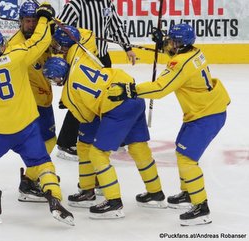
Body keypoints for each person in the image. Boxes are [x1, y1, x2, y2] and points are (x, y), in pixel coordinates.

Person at [0, 3, 74, 226]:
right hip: (26, 127)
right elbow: (39, 42)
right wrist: (44, 19)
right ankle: (55, 198)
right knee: (42, 162)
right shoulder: (16, 56)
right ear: (3, 46)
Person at [107, 23, 230, 226]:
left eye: (172, 40)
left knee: (186, 158)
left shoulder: (180, 62)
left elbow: (160, 88)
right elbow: (178, 60)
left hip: (206, 115)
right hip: (206, 109)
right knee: (182, 151)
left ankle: (201, 207)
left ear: (180, 44)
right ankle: (189, 193)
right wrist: (162, 43)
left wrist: (129, 90)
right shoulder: (194, 52)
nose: (169, 43)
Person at [43, 26, 166, 219]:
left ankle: (113, 202)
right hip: (130, 92)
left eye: (60, 46)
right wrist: (65, 28)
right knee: (136, 147)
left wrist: (73, 99)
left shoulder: (68, 94)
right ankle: (155, 192)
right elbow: (89, 34)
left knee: (97, 153)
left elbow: (86, 117)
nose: (58, 49)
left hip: (116, 107)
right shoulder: (81, 51)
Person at [56, 0, 137, 161]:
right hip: (84, 59)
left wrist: (127, 47)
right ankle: (66, 141)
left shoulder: (107, 3)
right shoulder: (76, 5)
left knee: (108, 97)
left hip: (102, 57)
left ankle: (113, 136)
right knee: (82, 100)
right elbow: (59, 28)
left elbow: (116, 26)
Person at [7, 1, 57, 203]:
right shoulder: (17, 45)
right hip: (30, 102)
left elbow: (50, 47)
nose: (32, 24)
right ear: (20, 21)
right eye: (28, 21)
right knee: (43, 141)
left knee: (47, 140)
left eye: (35, 21)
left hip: (43, 98)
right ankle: (30, 180)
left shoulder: (41, 35)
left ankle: (34, 175)